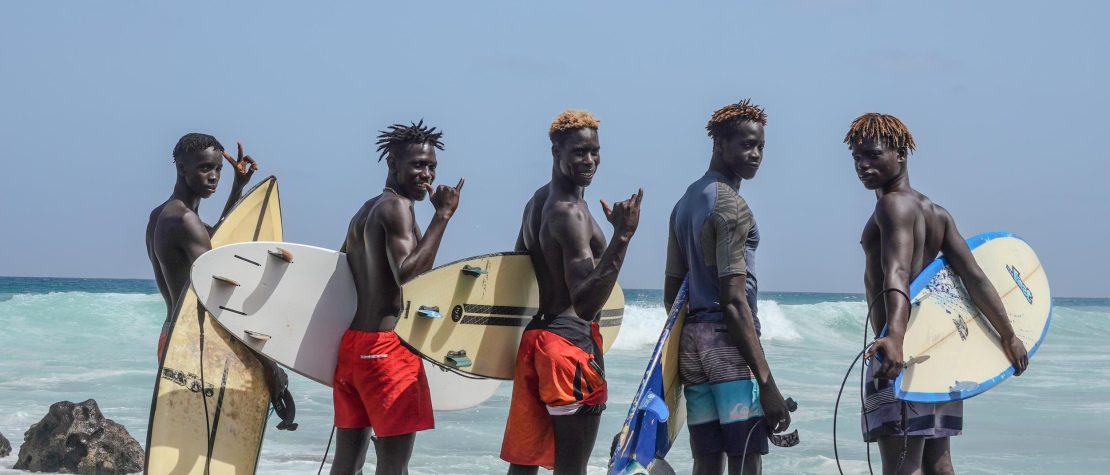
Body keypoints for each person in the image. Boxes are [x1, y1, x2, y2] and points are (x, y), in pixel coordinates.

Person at [846, 113, 1030, 475]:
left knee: (903, 465)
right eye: (856, 158)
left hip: (900, 357)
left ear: (900, 154)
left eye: (872, 154)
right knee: (939, 463)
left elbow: (896, 271)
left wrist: (895, 338)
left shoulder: (892, 205)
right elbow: (974, 279)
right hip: (939, 353)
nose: (862, 165)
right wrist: (1009, 334)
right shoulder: (937, 213)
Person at [502, 110, 643, 475]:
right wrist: (622, 238)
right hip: (570, 349)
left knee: (525, 464)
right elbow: (584, 303)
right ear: (556, 152)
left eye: (595, 151)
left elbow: (521, 265)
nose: (590, 160)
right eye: (580, 152)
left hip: (536, 342)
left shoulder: (536, 201)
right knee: (572, 469)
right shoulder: (572, 213)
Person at [662, 99, 791, 475]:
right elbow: (734, 301)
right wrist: (767, 385)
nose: (755, 155)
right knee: (746, 453)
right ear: (719, 145)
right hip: (726, 339)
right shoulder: (731, 204)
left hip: (692, 342)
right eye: (746, 145)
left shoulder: (685, 202)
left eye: (761, 146)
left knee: (706, 456)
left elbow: (673, 296)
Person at [330, 120, 464, 475]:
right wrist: (443, 216)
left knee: (348, 462)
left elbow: (344, 269)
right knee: (393, 466)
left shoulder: (365, 210)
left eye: (432, 166)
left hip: (354, 350)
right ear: (393, 164)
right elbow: (409, 274)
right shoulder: (398, 209)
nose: (427, 174)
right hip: (387, 351)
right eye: (418, 164)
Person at [145, 133, 297, 430]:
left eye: (218, 170)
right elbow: (220, 298)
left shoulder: (162, 215)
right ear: (181, 168)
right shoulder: (185, 221)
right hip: (196, 345)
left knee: (187, 439)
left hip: (172, 337)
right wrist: (269, 365)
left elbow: (215, 247)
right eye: (205, 168)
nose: (214, 177)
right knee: (208, 442)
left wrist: (238, 188)